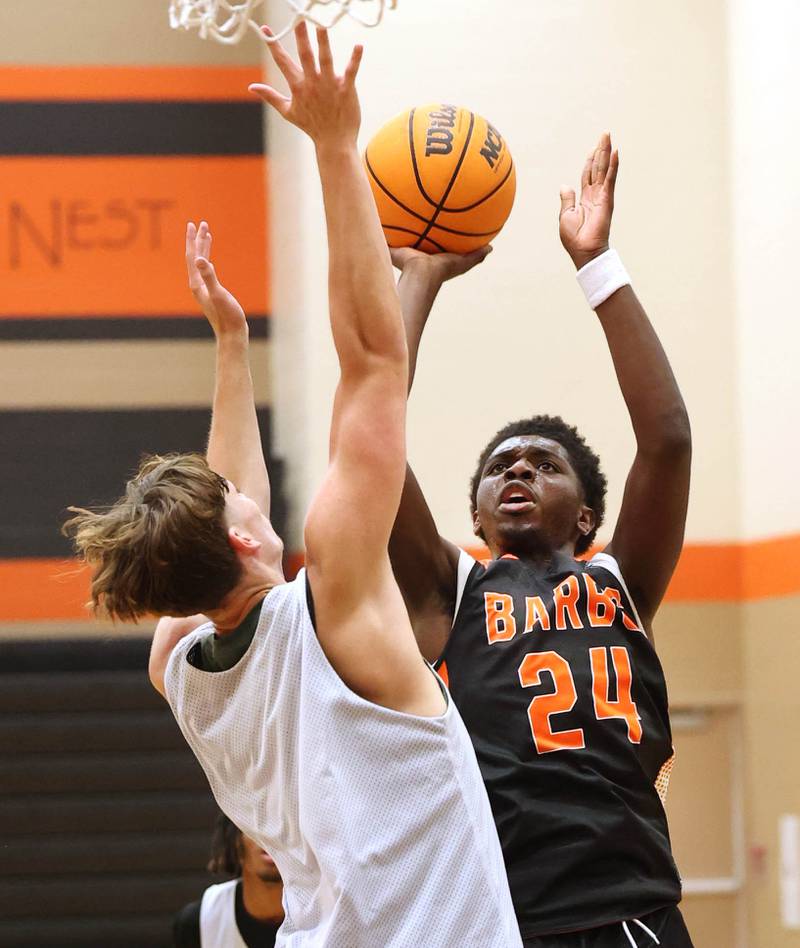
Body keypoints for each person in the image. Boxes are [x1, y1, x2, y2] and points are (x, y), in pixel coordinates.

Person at [65, 24, 522, 948]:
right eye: (243, 503)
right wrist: (336, 147)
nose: (251, 493)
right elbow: (372, 362)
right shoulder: (336, 604)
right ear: (242, 539)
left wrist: (233, 349)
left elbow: (219, 502)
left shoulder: (181, 672)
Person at [387, 134, 694, 947]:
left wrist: (596, 264)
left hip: (634, 912)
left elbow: (667, 439)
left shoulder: (619, 582)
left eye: (544, 464)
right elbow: (372, 442)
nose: (517, 469)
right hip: (500, 921)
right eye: (499, 468)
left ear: (587, 515)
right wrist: (417, 278)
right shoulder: (449, 591)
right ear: (477, 515)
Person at [173, 812, 284, 948]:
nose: (270, 834)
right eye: (258, 820)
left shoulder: (317, 919)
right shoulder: (198, 923)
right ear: (234, 838)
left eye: (285, 822)